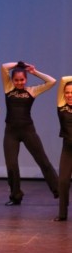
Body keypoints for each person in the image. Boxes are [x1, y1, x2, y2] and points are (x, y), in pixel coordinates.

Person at [1, 61, 58, 206]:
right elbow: (4, 67)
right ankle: (16, 196)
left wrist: (34, 72)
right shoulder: (8, 88)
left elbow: (52, 81)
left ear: (26, 79)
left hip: (28, 130)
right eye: (17, 80)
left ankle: (59, 191)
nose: (19, 82)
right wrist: (21, 64)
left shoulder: (32, 91)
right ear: (12, 80)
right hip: (11, 133)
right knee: (11, 165)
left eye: (22, 80)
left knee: (43, 161)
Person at [54, 76, 72, 222]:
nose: (69, 95)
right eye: (67, 92)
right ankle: (62, 213)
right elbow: (63, 79)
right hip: (68, 148)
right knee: (63, 181)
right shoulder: (62, 105)